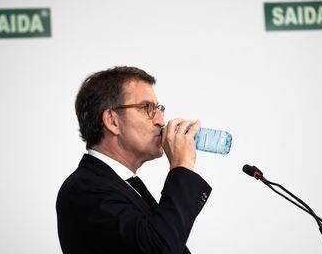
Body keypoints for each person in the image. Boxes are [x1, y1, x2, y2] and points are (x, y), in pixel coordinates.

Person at [56, 66, 211, 254]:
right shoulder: (85, 189)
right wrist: (182, 167)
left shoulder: (123, 184)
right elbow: (159, 249)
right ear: (112, 121)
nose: (161, 121)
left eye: (159, 108)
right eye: (148, 108)